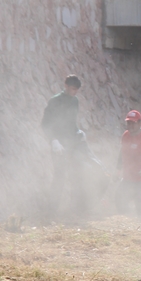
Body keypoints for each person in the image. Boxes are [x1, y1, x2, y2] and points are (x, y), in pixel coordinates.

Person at [41, 74, 84, 217]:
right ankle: (52, 210)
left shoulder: (75, 101)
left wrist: (78, 131)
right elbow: (45, 124)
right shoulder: (54, 101)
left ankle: (74, 208)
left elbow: (72, 122)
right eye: (72, 89)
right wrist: (53, 140)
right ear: (65, 86)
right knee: (59, 176)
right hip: (58, 145)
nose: (74, 92)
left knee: (76, 174)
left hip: (72, 142)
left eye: (76, 90)